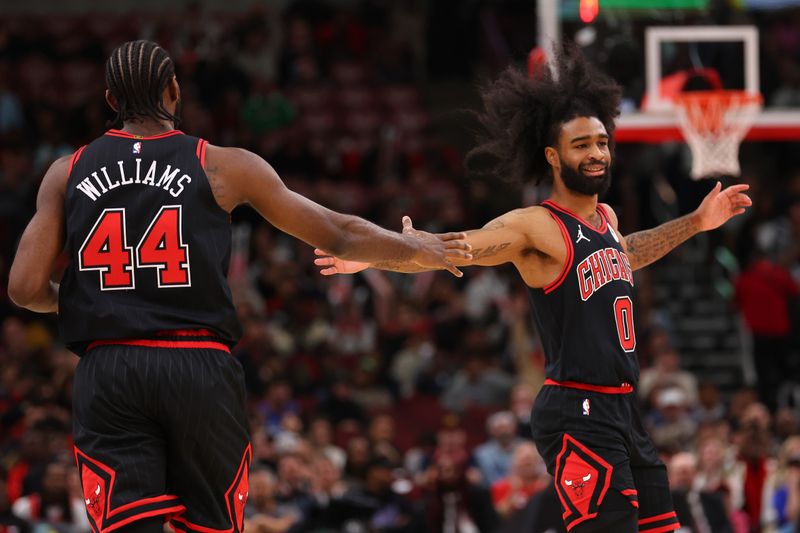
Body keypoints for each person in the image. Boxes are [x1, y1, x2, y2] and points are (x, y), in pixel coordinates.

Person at [7, 40, 469, 533]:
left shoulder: (66, 172)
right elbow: (339, 233)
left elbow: (24, 288)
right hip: (197, 364)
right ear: (173, 91)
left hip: (110, 370)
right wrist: (416, 249)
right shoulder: (221, 163)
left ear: (110, 101)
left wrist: (78, 299)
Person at [313, 43, 751, 532]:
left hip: (624, 406)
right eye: (581, 144)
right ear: (552, 155)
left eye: (602, 142)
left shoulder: (606, 218)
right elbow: (455, 247)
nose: (596, 153)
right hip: (578, 409)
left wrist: (695, 221)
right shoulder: (535, 226)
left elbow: (629, 252)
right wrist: (376, 253)